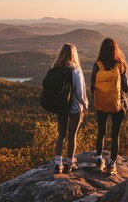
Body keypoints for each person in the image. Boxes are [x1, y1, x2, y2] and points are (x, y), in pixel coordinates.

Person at [91, 38, 128, 175]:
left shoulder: (97, 66)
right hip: (118, 105)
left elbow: (92, 87)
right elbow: (126, 87)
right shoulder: (120, 65)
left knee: (101, 133)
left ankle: (98, 161)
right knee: (115, 135)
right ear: (115, 50)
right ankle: (112, 165)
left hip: (102, 104)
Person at [53, 43, 88, 174]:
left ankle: (57, 163)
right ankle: (69, 163)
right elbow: (80, 93)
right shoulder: (76, 70)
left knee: (61, 134)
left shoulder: (56, 68)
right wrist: (85, 105)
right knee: (72, 135)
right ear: (74, 54)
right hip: (74, 107)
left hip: (61, 107)